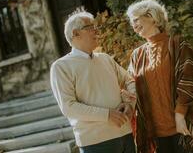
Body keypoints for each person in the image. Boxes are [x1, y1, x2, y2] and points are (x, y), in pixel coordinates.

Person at [126, 0, 193, 153]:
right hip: (155, 136)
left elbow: (191, 81)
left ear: (151, 16)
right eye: (132, 22)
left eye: (136, 19)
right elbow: (129, 85)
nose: (133, 25)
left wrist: (180, 114)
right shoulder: (137, 55)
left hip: (183, 128)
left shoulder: (178, 45)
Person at [50, 10, 137, 153]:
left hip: (125, 134)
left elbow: (130, 81)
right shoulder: (60, 67)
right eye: (90, 28)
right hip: (95, 142)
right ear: (75, 34)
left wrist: (130, 104)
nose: (96, 31)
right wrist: (107, 115)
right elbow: (68, 106)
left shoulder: (105, 58)